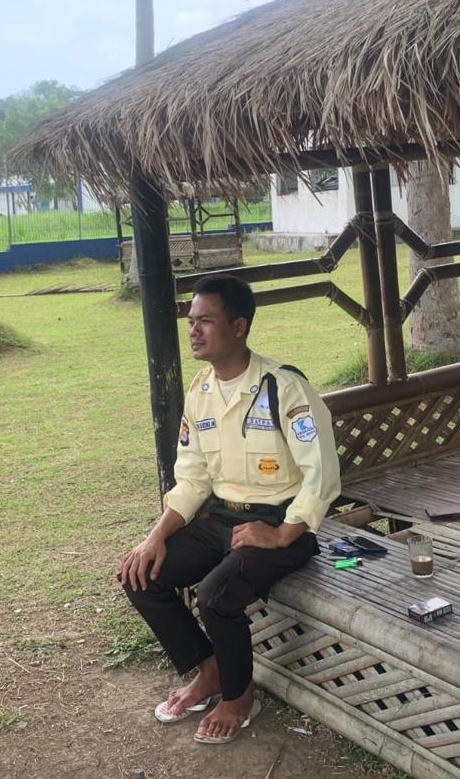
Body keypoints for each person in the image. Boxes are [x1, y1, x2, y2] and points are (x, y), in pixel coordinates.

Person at [120, 273, 341, 744]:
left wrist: (282, 533)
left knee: (216, 595)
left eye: (205, 321)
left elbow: (322, 472)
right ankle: (211, 670)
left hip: (282, 520)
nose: (193, 331)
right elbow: (192, 478)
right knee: (140, 575)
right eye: (190, 321)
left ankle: (240, 697)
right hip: (221, 517)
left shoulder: (284, 387)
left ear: (239, 327)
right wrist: (155, 536)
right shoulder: (201, 391)